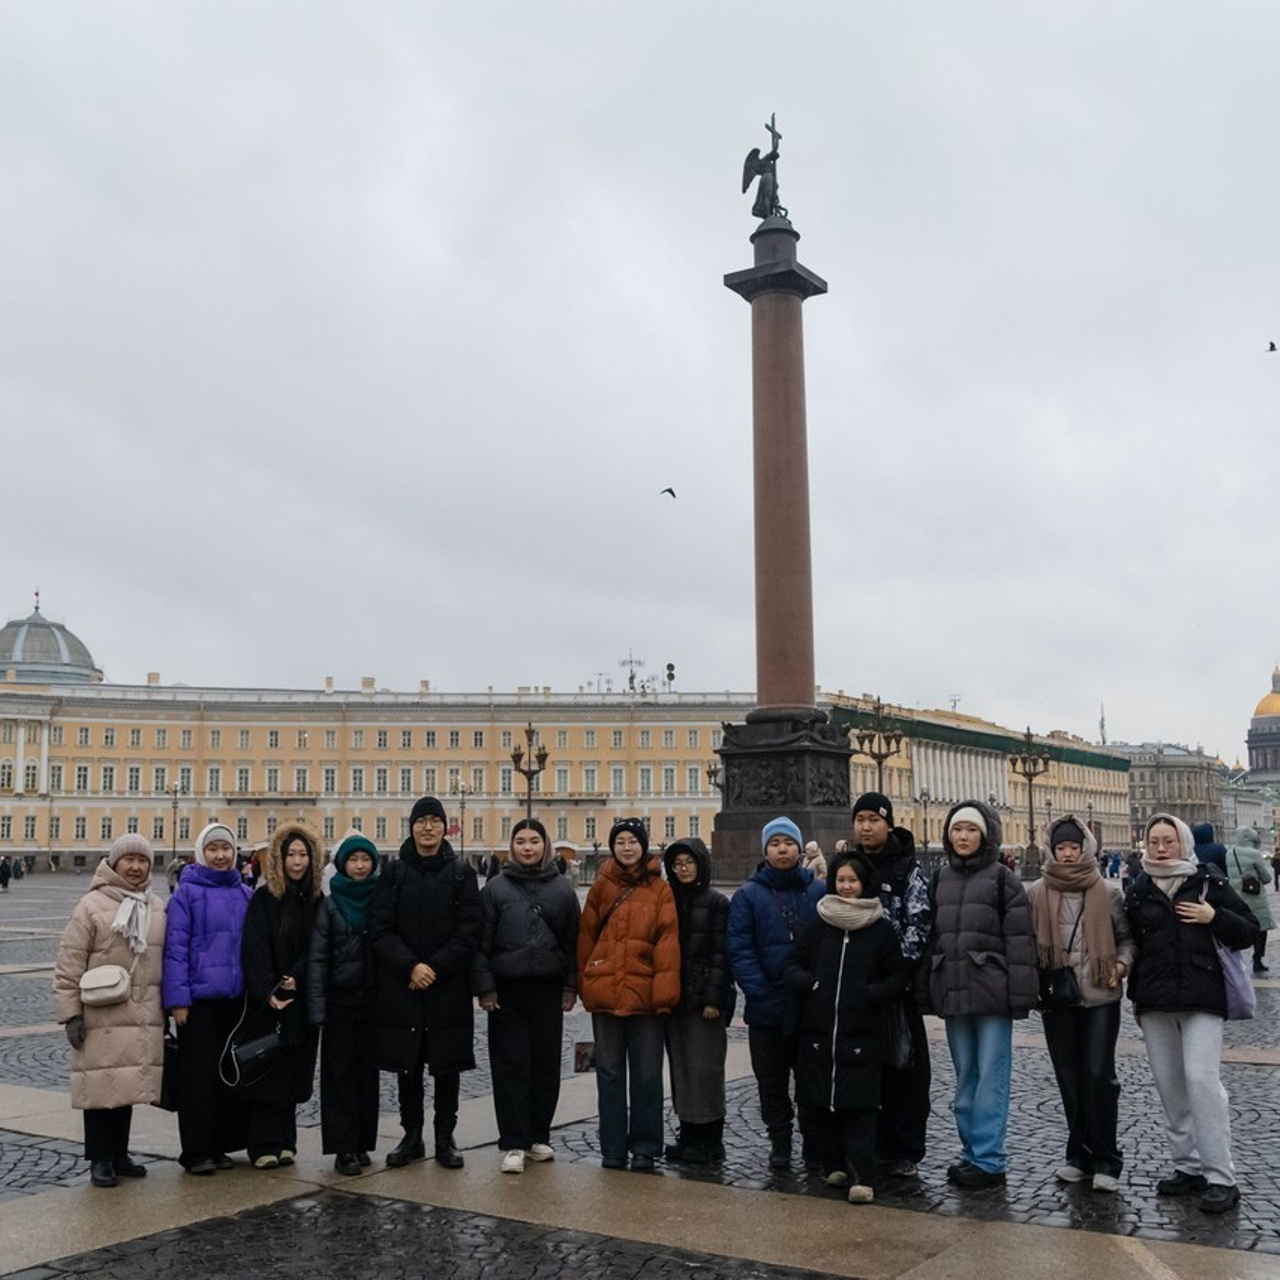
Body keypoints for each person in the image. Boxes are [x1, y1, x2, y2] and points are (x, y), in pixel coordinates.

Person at [1126, 813, 1257, 1214]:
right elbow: (1131, 940)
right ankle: (1188, 1167)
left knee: (1202, 1080)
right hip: (1155, 1001)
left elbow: (1249, 929)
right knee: (1170, 1086)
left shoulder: (1208, 882)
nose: (1162, 848)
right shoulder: (1138, 887)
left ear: (1184, 842)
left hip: (1202, 997)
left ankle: (1221, 1176)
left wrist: (1213, 917)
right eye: (1154, 841)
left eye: (1169, 840)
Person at [919, 800, 1037, 1188]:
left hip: (991, 992)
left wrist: (1020, 996)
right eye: (957, 830)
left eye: (970, 830)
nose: (963, 836)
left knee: (991, 1076)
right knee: (965, 1075)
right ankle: (971, 1151)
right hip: (953, 990)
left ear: (984, 834)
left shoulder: (1004, 880)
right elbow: (932, 940)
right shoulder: (941, 880)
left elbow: (1020, 942)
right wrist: (928, 987)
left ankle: (989, 1158)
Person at [786, 852, 908, 1205]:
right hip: (819, 1031)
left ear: (864, 883)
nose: (847, 886)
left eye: (853, 880)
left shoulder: (879, 929)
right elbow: (792, 964)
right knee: (820, 1103)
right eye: (841, 880)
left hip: (862, 1032)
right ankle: (833, 1165)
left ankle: (862, 1175)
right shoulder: (818, 924)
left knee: (861, 1107)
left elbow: (897, 976)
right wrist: (811, 985)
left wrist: (870, 994)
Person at [369, 796, 480, 1169]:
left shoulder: (462, 875)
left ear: (444, 826)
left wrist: (433, 968)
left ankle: (445, 1137)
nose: (428, 827)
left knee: (446, 1066)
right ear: (412, 826)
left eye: (435, 820)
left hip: (447, 987)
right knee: (408, 1065)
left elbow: (469, 932)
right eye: (422, 821)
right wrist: (410, 967)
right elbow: (380, 930)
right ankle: (411, 1136)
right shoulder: (393, 873)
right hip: (404, 986)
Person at [1026, 816, 1134, 1193]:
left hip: (1101, 996)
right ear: (1052, 851)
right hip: (1059, 998)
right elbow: (1028, 945)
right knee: (1068, 1077)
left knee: (1098, 1075)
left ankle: (1107, 1158)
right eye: (1061, 848)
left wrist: (1120, 965)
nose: (1068, 854)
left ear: (1086, 848)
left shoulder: (1108, 892)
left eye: (1074, 847)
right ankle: (1079, 1155)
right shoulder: (1037, 892)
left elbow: (1127, 939)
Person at [53, 834, 166, 1187]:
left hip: (140, 1012)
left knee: (128, 1085)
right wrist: (70, 1013)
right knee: (101, 1088)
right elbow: (69, 962)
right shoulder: (90, 905)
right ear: (113, 864)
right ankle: (99, 1158)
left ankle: (119, 1153)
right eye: (128, 860)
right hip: (100, 1013)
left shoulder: (156, 906)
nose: (135, 867)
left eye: (142, 860)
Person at [472, 818, 580, 1174]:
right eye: (521, 841)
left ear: (545, 845)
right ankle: (514, 1141)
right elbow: (481, 943)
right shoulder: (495, 889)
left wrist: (570, 986)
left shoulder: (563, 890)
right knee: (510, 1065)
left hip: (547, 988)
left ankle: (538, 1135)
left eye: (535, 840)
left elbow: (573, 943)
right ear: (512, 846)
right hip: (507, 990)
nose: (528, 847)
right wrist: (485, 986)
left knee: (545, 1064)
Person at [577, 817, 679, 1171]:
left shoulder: (660, 890)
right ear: (612, 847)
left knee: (648, 1074)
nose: (626, 847)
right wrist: (585, 983)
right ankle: (613, 1148)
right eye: (620, 841)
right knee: (609, 1073)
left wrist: (663, 996)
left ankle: (646, 1147)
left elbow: (668, 944)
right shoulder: (600, 887)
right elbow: (586, 939)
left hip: (646, 997)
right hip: (606, 993)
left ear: (643, 845)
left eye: (632, 841)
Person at [727, 815, 825, 1172]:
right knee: (771, 1081)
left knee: (811, 1079)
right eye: (774, 844)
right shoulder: (748, 895)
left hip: (809, 1004)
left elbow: (827, 945)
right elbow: (740, 950)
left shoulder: (818, 891)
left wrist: (817, 987)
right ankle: (780, 1140)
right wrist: (760, 994)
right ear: (765, 850)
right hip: (767, 1007)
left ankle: (814, 1142)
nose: (782, 849)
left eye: (788, 843)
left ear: (800, 848)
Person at [845, 791, 932, 1179]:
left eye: (873, 819)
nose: (865, 827)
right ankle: (864, 1146)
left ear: (888, 823)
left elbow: (919, 926)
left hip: (896, 989)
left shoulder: (908, 870)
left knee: (906, 1070)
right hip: (856, 987)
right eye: (860, 819)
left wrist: (895, 974)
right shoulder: (846, 867)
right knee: (861, 1069)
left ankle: (903, 1150)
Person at [162, 822, 253, 1173]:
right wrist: (178, 1000)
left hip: (234, 999)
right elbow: (175, 950)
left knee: (226, 1075)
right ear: (201, 853)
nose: (220, 855)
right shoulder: (186, 894)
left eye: (226, 849)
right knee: (197, 1079)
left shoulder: (244, 892)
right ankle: (196, 1151)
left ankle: (219, 1146)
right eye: (213, 849)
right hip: (198, 1003)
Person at [238, 822, 323, 1169]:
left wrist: (297, 977)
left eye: (304, 855)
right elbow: (253, 946)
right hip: (270, 1000)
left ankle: (287, 1141)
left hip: (300, 997)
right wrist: (267, 991)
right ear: (280, 858)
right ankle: (262, 1145)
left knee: (294, 1069)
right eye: (291, 855)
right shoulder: (263, 898)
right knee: (266, 1068)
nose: (298, 862)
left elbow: (319, 945)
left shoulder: (317, 901)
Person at [307, 831, 381, 1175]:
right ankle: (343, 1148)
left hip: (373, 1000)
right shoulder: (330, 904)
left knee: (367, 1074)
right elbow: (318, 960)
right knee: (339, 1075)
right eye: (354, 859)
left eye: (366, 859)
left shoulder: (381, 899)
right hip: (340, 1000)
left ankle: (363, 1142)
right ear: (341, 864)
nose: (360, 866)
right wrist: (318, 1009)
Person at [662, 837, 733, 1165]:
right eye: (677, 864)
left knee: (706, 1070)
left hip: (705, 1000)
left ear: (701, 863)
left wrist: (713, 998)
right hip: (676, 997)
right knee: (683, 1070)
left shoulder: (717, 902)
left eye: (688, 862)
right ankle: (689, 1134)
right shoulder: (667, 900)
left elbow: (722, 955)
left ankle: (710, 1140)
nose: (683, 868)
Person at [1226, 826, 1274, 972]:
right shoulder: (1255, 853)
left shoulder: (1230, 853)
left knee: (1238, 926)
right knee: (1261, 927)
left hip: (1236, 896)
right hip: (1254, 896)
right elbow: (1266, 878)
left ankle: (1234, 961)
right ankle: (1257, 959)